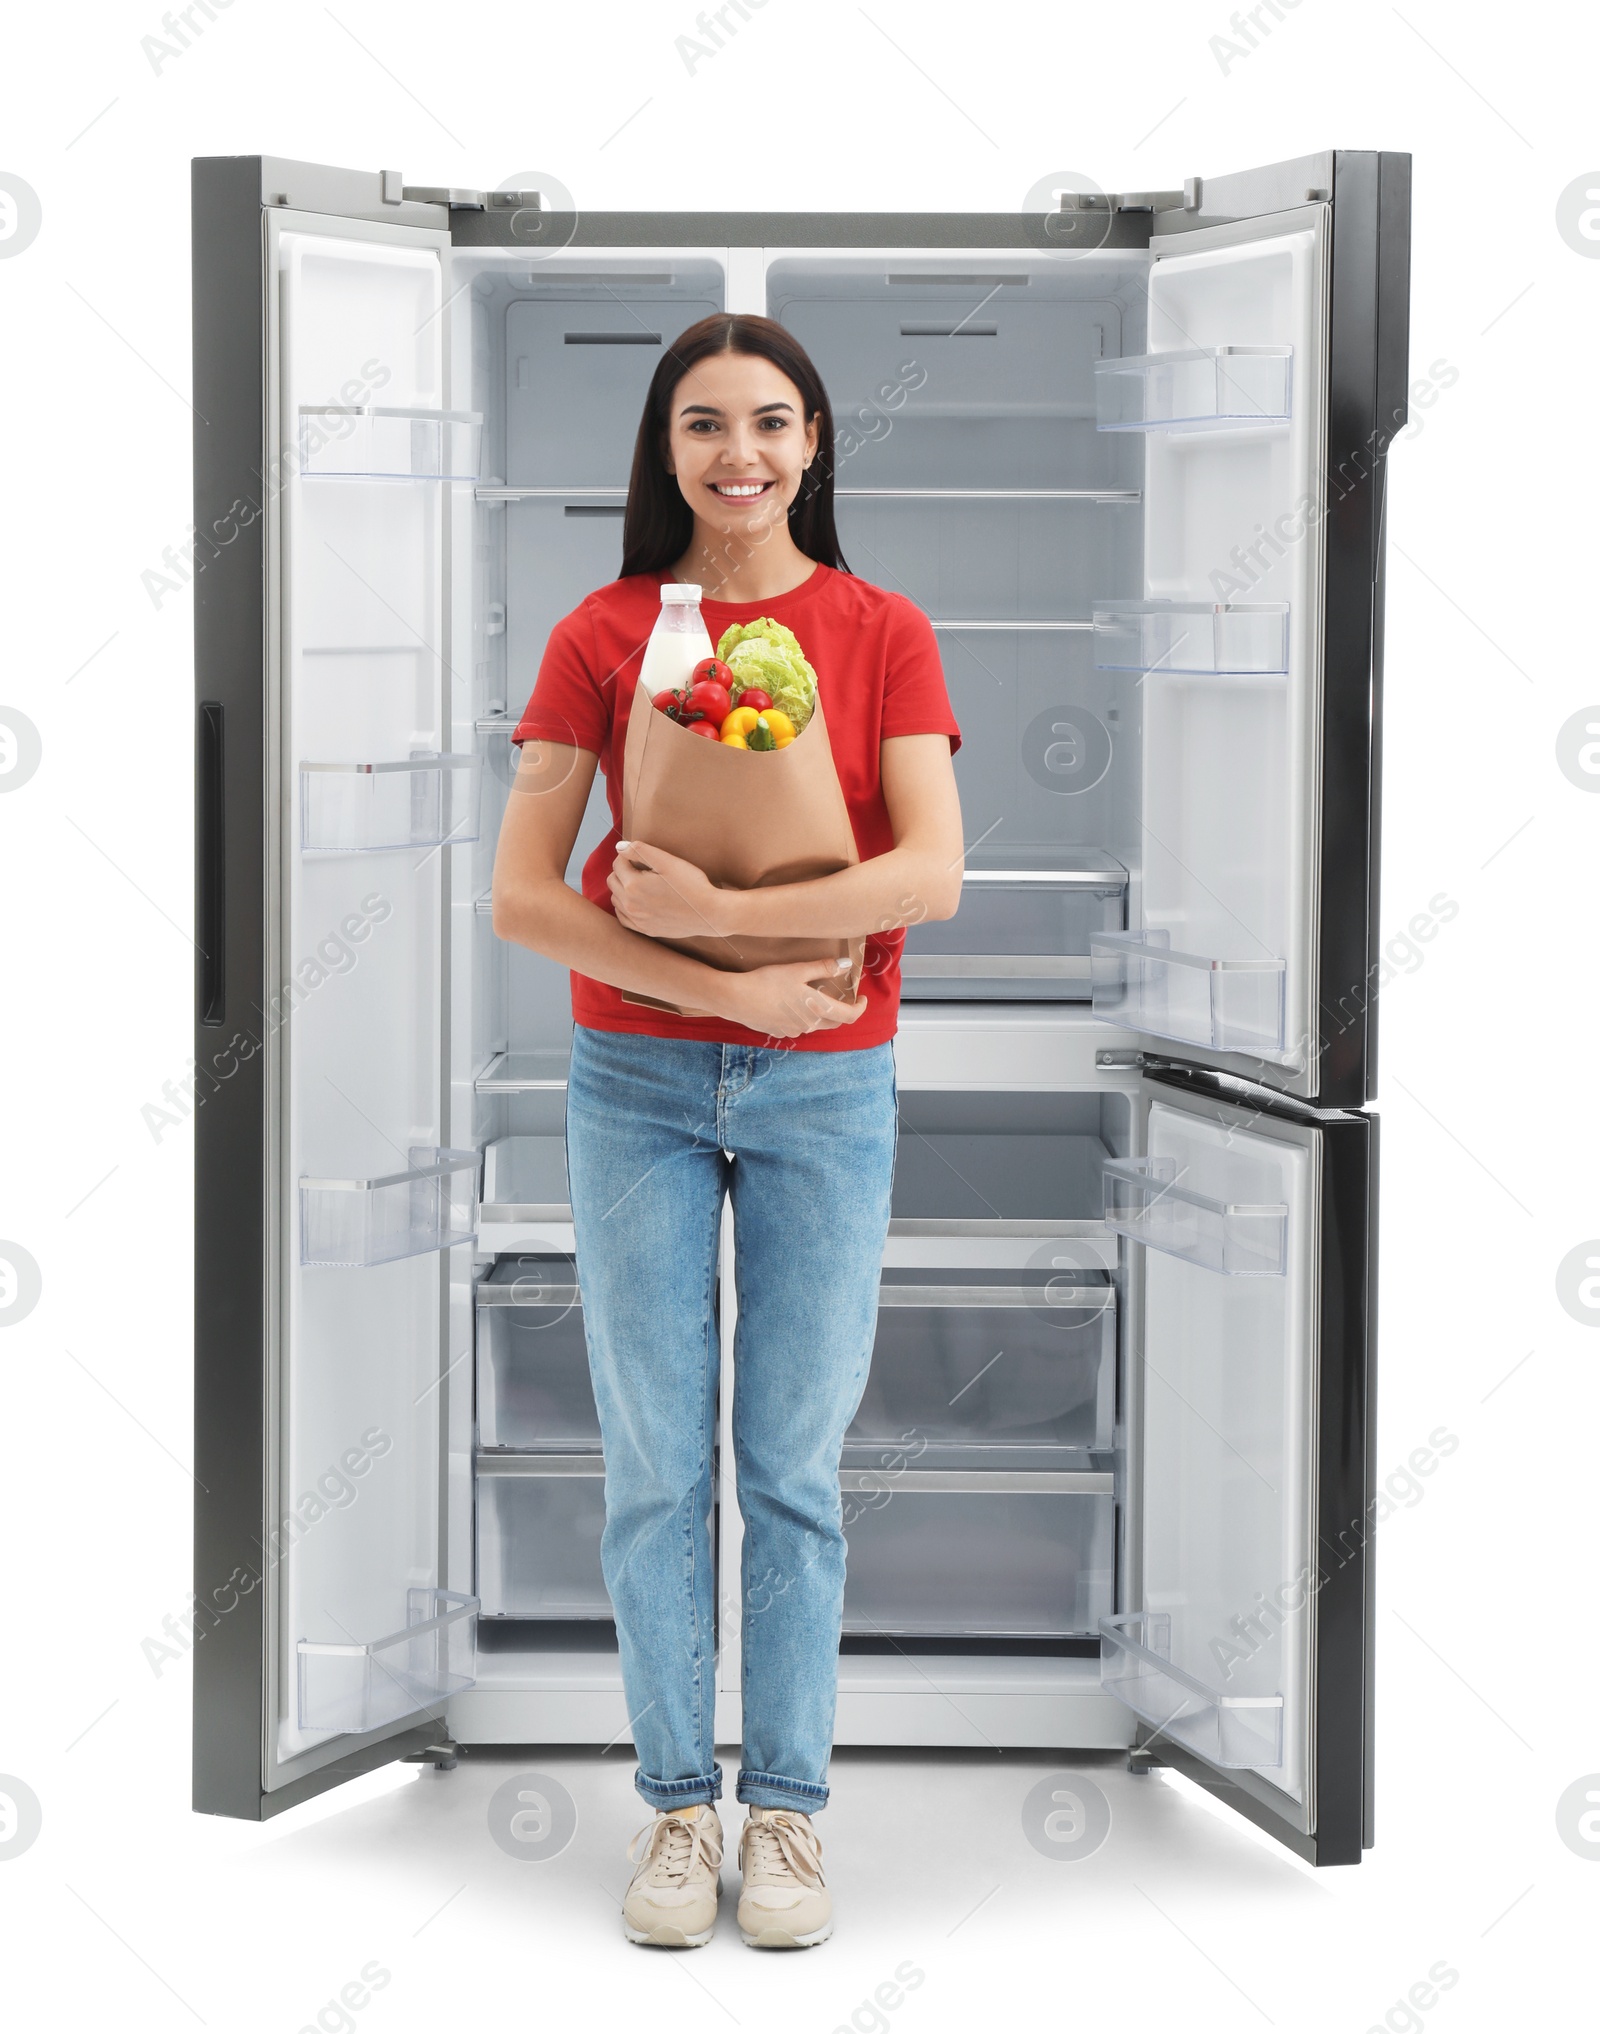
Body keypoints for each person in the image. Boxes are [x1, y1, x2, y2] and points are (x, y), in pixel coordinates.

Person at [492, 313, 964, 1949]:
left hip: (832, 1080)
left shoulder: (881, 628)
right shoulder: (603, 631)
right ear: (665, 449)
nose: (738, 453)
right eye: (704, 423)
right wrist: (707, 970)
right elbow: (521, 900)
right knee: (654, 1463)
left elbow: (930, 875)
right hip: (633, 1079)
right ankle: (679, 1808)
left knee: (791, 1465)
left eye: (771, 420)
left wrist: (755, 959)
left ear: (817, 442)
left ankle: (793, 1821)